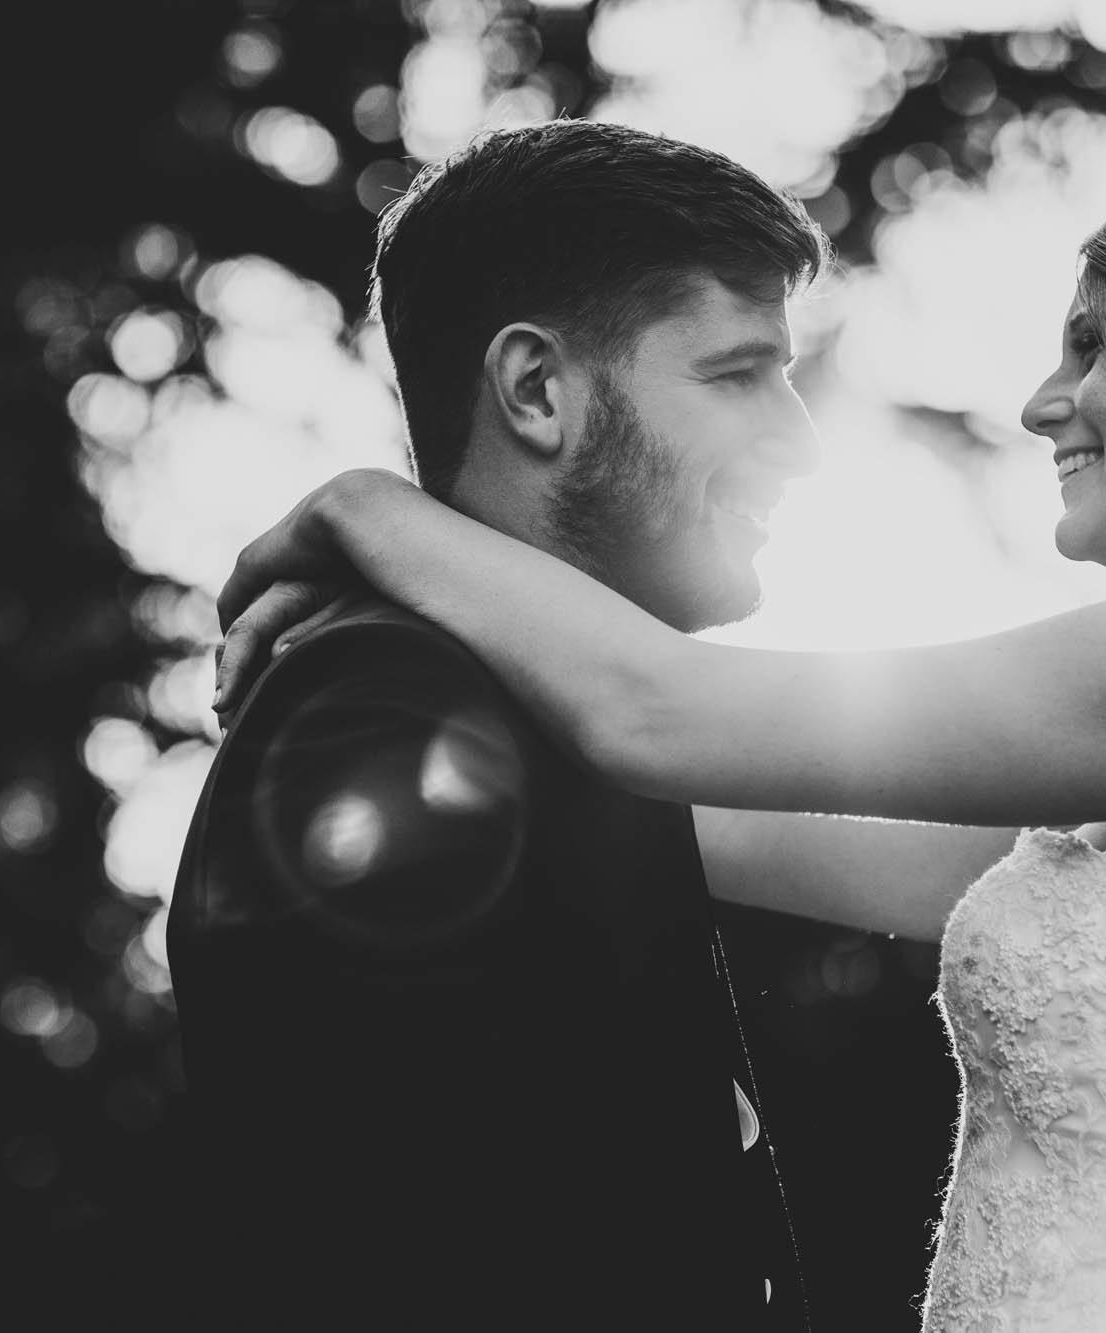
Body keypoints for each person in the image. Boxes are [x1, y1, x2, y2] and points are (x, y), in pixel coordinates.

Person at [212, 165, 1106, 1330]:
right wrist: (428, 629)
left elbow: (660, 715)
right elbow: (690, 817)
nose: (1043, 403)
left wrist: (366, 510)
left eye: (1089, 346)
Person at [168, 119, 833, 1329]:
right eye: (737, 375)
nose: (800, 440)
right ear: (534, 390)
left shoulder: (574, 724)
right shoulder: (382, 708)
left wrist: (370, 511)